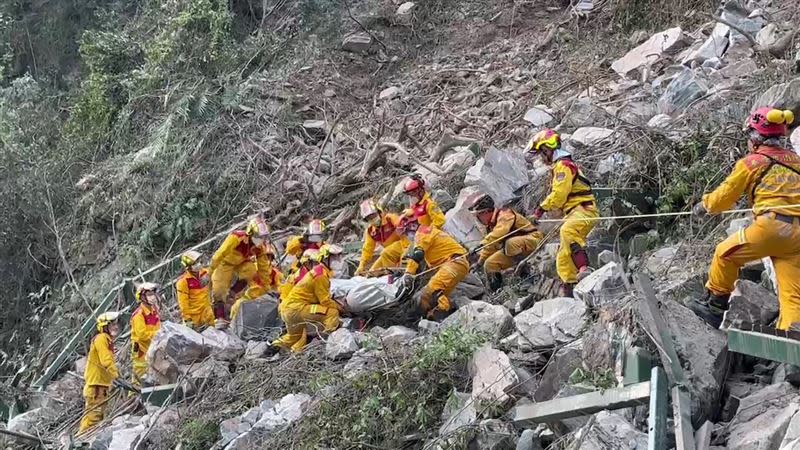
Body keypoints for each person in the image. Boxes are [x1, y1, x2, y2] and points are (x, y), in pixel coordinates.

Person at [690, 107, 800, 329]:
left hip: (771, 228)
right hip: (797, 236)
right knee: (792, 296)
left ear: (755, 139)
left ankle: (714, 307)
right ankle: (792, 348)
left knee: (725, 253)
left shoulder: (751, 163)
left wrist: (705, 206)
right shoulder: (796, 161)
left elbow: (724, 196)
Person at [526, 129, 597, 297]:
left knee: (568, 231)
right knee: (563, 258)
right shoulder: (559, 166)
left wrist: (539, 211)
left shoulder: (563, 166)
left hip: (584, 210)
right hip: (574, 211)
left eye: (541, 153)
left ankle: (585, 269)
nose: (542, 158)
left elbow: (559, 195)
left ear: (547, 149)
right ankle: (570, 290)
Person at [270, 244, 344, 353]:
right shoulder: (320, 275)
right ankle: (325, 342)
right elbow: (325, 301)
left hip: (289, 310)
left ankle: (270, 347)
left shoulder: (319, 272)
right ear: (325, 258)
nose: (338, 260)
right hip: (297, 309)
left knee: (294, 337)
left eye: (338, 257)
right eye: (334, 257)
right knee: (331, 313)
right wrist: (341, 308)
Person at [395, 216, 468, 321]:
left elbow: (418, 254)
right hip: (455, 264)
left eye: (406, 233)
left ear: (411, 227)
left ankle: (435, 319)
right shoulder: (427, 232)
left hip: (453, 263)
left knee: (428, 293)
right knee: (437, 297)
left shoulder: (422, 234)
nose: (407, 236)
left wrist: (408, 273)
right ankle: (438, 319)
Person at [468, 194, 543, 292]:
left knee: (510, 243)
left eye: (478, 215)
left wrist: (482, 243)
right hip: (514, 250)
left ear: (486, 212)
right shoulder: (491, 226)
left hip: (533, 240)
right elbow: (491, 246)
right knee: (490, 264)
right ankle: (498, 291)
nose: (478, 219)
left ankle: (526, 275)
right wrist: (480, 262)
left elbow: (500, 232)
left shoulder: (505, 215)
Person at [209, 217, 273, 328]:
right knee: (219, 289)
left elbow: (263, 268)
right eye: (258, 237)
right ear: (250, 233)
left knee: (251, 270)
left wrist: (267, 288)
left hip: (242, 262)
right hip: (225, 262)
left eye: (263, 237)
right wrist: (210, 270)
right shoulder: (236, 237)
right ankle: (219, 316)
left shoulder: (260, 248)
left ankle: (233, 293)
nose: (261, 240)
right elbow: (220, 254)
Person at [79, 312, 121, 433]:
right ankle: (81, 441)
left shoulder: (105, 340)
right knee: (93, 419)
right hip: (96, 387)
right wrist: (117, 376)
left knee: (91, 417)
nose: (115, 326)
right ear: (104, 326)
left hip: (98, 386)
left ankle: (80, 439)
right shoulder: (101, 339)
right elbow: (106, 361)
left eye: (115, 323)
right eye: (112, 324)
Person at [355, 199, 410, 277]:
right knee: (371, 273)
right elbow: (367, 249)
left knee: (386, 253)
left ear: (379, 212)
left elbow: (404, 232)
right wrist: (361, 265)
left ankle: (391, 276)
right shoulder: (371, 231)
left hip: (404, 245)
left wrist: (406, 252)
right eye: (369, 218)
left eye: (373, 216)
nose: (372, 219)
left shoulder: (390, 219)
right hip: (389, 254)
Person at [230, 243, 283, 319]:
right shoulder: (251, 269)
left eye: (269, 257)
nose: (266, 260)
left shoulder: (276, 274)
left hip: (266, 301)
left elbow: (280, 288)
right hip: (250, 299)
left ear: (272, 259)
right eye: (265, 257)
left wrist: (276, 293)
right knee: (236, 307)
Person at [130, 282, 161, 389]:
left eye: (153, 294)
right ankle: (134, 396)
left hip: (152, 347)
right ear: (142, 297)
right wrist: (158, 334)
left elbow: (158, 326)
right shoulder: (139, 315)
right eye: (149, 295)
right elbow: (142, 335)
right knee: (140, 376)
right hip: (141, 351)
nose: (152, 297)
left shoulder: (154, 310)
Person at [175, 251, 214, 330]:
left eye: (199, 262)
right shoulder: (183, 282)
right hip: (194, 316)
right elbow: (183, 303)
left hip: (207, 312)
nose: (199, 264)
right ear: (188, 266)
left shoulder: (205, 273)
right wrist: (187, 319)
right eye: (195, 263)